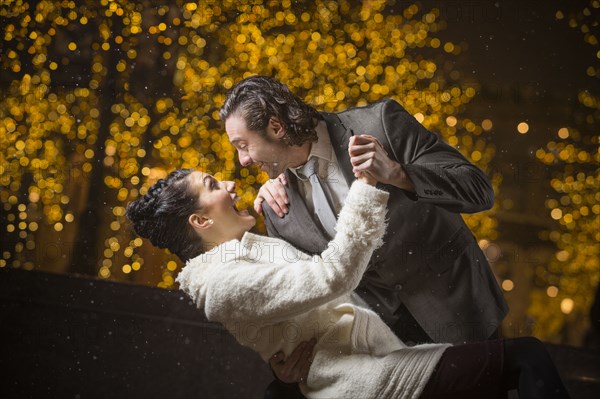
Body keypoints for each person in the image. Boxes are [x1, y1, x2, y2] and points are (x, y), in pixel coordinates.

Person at [125, 168, 570, 398]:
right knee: (526, 357)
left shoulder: (239, 252)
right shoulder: (223, 284)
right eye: (213, 184)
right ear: (201, 220)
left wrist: (274, 194)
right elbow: (329, 276)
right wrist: (367, 184)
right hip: (363, 381)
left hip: (373, 360)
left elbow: (284, 295)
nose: (230, 181)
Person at [219, 76, 509, 388]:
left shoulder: (381, 122)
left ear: (276, 127)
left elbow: (478, 190)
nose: (243, 160)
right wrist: (285, 366)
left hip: (460, 313)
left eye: (244, 145)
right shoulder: (278, 208)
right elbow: (306, 299)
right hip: (386, 355)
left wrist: (398, 174)